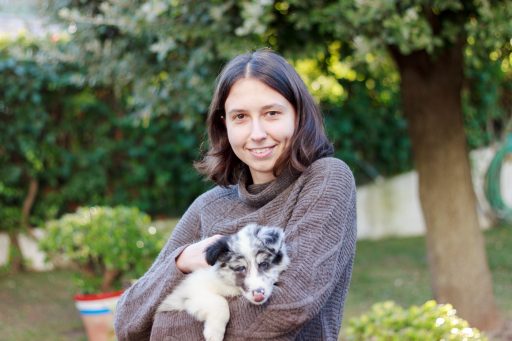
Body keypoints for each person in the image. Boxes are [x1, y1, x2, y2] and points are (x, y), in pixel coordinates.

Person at [114, 49, 357, 341]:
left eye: (271, 113)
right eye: (240, 116)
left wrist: (171, 323)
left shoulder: (325, 179)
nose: (257, 133)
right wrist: (182, 262)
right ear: (224, 124)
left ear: (298, 115)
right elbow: (127, 321)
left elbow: (288, 307)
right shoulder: (209, 206)